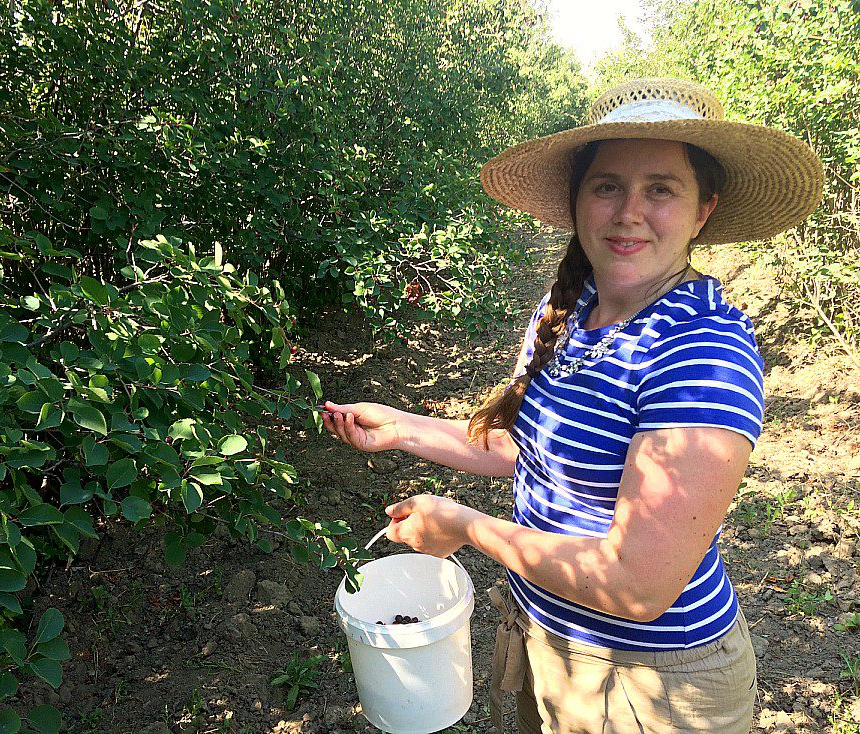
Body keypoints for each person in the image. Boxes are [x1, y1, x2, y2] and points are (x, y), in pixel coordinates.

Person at [321, 78, 823, 733]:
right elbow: (529, 451)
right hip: (551, 638)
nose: (628, 211)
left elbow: (636, 586)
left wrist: (465, 527)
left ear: (703, 210)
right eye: (608, 184)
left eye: (661, 188)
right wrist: (402, 429)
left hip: (650, 683)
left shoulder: (700, 353)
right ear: (578, 198)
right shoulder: (569, 310)